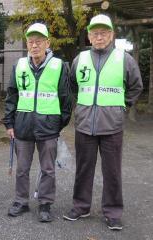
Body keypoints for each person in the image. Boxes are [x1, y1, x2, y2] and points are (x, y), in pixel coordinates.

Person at [63, 14, 143, 230]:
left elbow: (136, 86)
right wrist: (79, 108)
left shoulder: (124, 58)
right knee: (83, 169)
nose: (99, 36)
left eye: (104, 32)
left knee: (112, 171)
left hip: (112, 126)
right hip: (84, 125)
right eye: (95, 33)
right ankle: (81, 206)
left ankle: (113, 212)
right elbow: (71, 84)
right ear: (89, 36)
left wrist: (122, 106)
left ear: (111, 35)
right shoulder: (80, 59)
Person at [3, 23, 72, 222]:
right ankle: (21, 201)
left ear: (47, 43)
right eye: (31, 41)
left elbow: (66, 98)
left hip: (49, 127)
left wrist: (59, 123)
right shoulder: (19, 65)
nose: (34, 45)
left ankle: (45, 204)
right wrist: (9, 123)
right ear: (27, 44)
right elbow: (12, 96)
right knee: (22, 168)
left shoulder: (59, 66)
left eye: (39, 41)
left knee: (48, 169)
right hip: (22, 126)